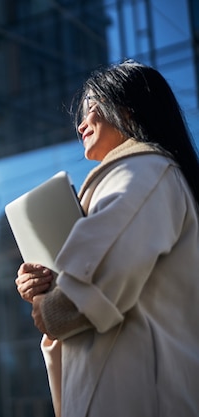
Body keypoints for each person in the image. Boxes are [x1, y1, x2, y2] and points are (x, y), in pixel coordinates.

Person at [14, 60, 199, 417]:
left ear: (128, 112)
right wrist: (45, 288)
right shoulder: (150, 175)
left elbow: (93, 283)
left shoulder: (143, 169)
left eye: (93, 109)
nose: (81, 124)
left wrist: (52, 305)